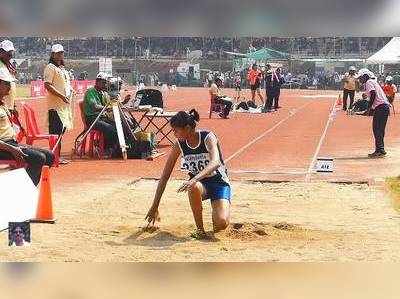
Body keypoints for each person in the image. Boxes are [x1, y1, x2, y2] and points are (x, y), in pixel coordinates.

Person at [145, 110, 231, 239]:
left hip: (219, 183)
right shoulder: (179, 144)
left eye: (176, 130)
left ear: (188, 128)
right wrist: (155, 205)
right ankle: (200, 230)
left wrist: (194, 178)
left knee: (221, 223)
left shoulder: (208, 137)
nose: (174, 134)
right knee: (193, 186)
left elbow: (216, 162)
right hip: (199, 185)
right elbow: (165, 176)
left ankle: (218, 213)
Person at [0, 68, 54, 186]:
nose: (10, 87)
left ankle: (25, 187)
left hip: (10, 144)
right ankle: (24, 192)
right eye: (7, 83)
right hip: (4, 147)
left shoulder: (3, 103)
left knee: (49, 156)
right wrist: (13, 149)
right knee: (38, 158)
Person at [44, 44, 74, 164]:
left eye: (61, 53)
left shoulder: (61, 69)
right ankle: (54, 157)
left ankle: (57, 156)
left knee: (61, 131)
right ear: (52, 55)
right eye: (57, 53)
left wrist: (70, 89)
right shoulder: (50, 67)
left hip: (63, 106)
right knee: (56, 133)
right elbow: (47, 85)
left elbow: (64, 85)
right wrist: (61, 96)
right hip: (55, 107)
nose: (60, 55)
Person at [83, 72, 120, 157]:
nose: (105, 85)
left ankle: (115, 148)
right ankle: (105, 149)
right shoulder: (90, 91)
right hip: (92, 118)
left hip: (102, 117)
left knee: (119, 125)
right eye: (103, 83)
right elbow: (95, 106)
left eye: (106, 83)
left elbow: (110, 104)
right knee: (110, 129)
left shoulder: (103, 93)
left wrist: (120, 101)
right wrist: (106, 107)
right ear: (97, 82)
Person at [356, 68, 391, 158]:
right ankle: (380, 150)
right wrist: (371, 109)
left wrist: (369, 108)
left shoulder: (369, 82)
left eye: (360, 78)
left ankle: (380, 150)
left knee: (377, 129)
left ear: (365, 76)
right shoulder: (372, 82)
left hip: (381, 107)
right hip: (383, 107)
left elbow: (373, 94)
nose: (359, 80)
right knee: (380, 129)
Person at [0, 40, 17, 113]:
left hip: (8, 107)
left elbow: (11, 87)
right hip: (2, 108)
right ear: (1, 52)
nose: (10, 55)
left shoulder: (7, 65)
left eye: (11, 52)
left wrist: (13, 105)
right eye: (8, 53)